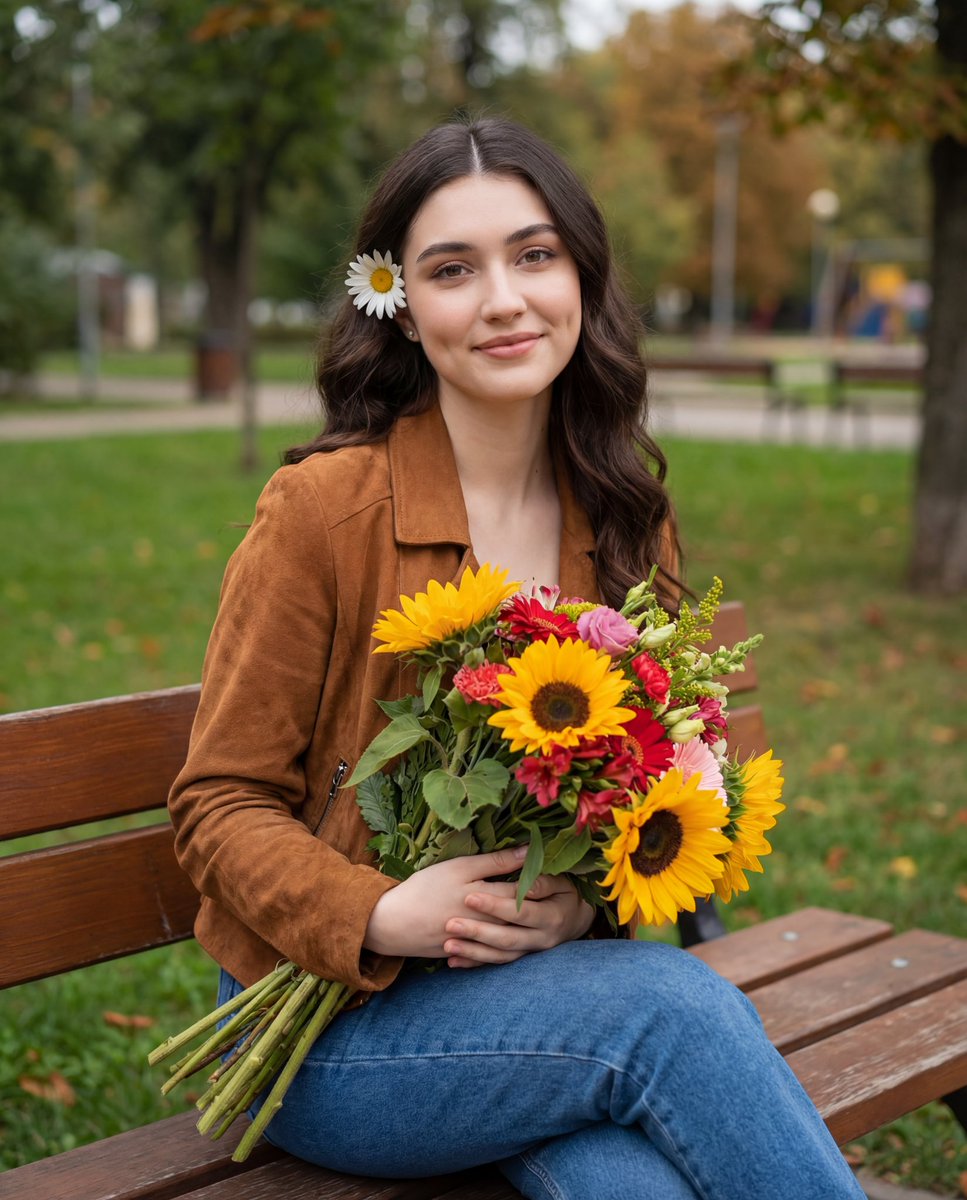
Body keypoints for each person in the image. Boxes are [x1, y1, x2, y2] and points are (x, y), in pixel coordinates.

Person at [168, 117, 864, 1200]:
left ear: (581, 278)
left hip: (539, 1011)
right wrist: (379, 912)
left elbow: (656, 778)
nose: (503, 300)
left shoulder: (624, 511)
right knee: (672, 1009)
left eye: (534, 256)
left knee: (634, 1185)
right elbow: (217, 803)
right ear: (398, 305)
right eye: (454, 270)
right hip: (329, 1031)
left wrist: (583, 905)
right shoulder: (323, 511)